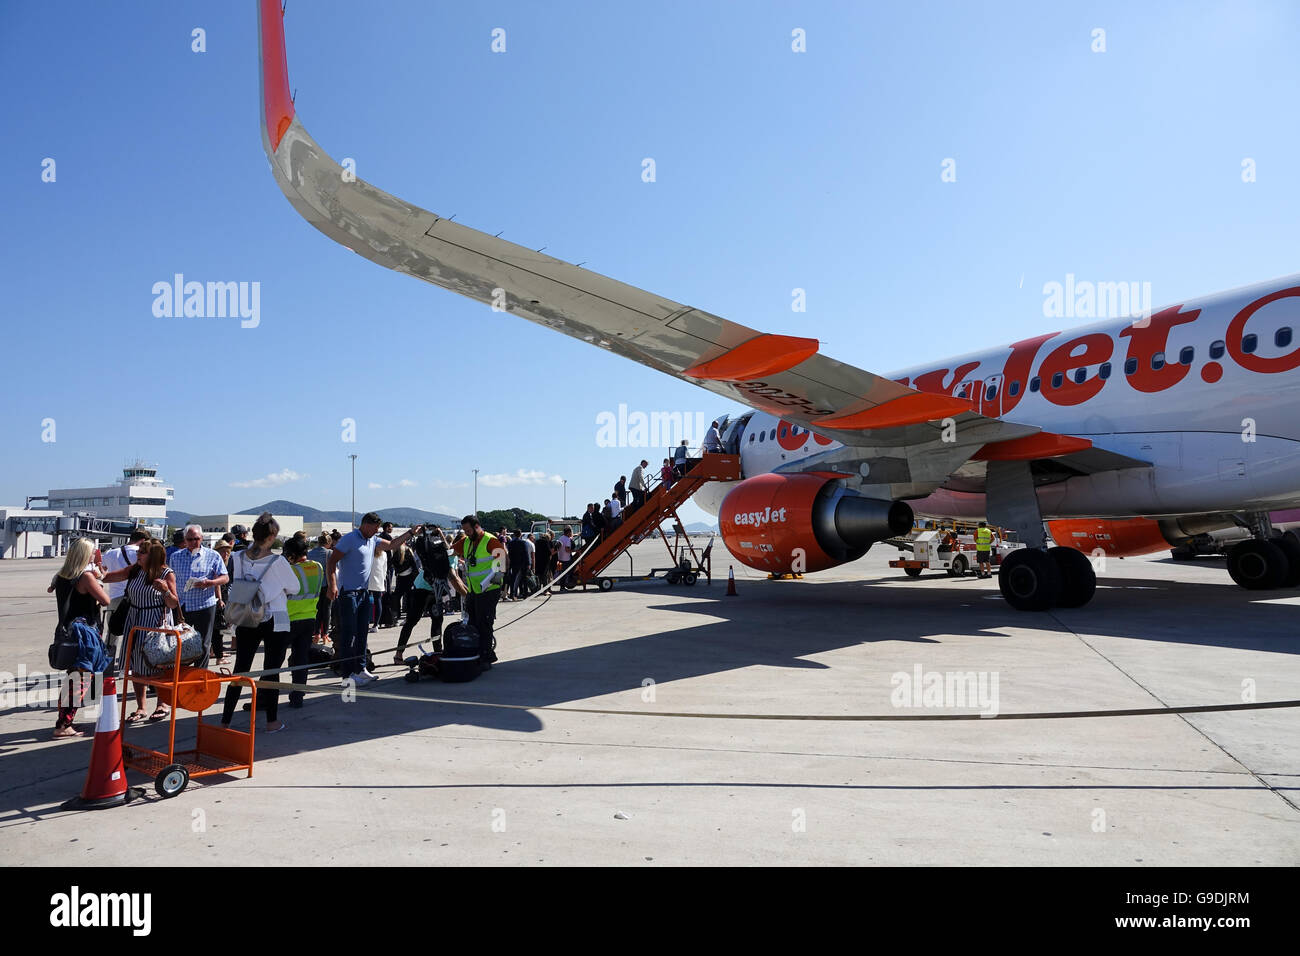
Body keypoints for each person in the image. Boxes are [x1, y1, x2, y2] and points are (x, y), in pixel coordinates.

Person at [220, 513, 300, 733]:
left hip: (247, 615)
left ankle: (225, 721)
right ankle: (271, 721)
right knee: (272, 670)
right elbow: (295, 587)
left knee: (241, 669)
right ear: (272, 535)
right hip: (275, 616)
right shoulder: (278, 561)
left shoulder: (238, 557)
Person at [325, 512, 423, 683]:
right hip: (348, 593)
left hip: (363, 592)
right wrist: (332, 585)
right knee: (349, 634)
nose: (376, 531)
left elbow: (392, 545)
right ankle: (348, 674)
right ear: (365, 525)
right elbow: (332, 562)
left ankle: (361, 668)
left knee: (362, 633)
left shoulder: (372, 539)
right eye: (374, 528)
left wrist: (411, 533)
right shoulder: (349, 539)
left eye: (378, 528)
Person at [103, 539, 179, 723]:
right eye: (139, 552)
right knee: (136, 668)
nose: (138, 555)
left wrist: (165, 591)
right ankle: (141, 707)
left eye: (142, 553)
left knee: (158, 668)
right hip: (135, 623)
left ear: (152, 556)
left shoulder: (166, 574)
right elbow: (110, 577)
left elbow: (174, 603)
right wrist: (97, 571)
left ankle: (162, 704)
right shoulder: (135, 570)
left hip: (155, 625)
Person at [48, 538, 111, 738]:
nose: (95, 555)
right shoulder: (85, 577)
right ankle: (63, 725)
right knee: (80, 679)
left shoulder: (62, 576)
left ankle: (63, 720)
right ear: (85, 555)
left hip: (68, 630)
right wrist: (102, 577)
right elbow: (105, 600)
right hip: (85, 632)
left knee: (73, 677)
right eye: (93, 552)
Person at [167, 524, 229, 668]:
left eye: (196, 539)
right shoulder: (176, 557)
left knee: (204, 643)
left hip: (204, 605)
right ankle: (183, 675)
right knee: (181, 643)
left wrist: (211, 582)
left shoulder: (213, 555)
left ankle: (200, 675)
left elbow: (225, 577)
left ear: (201, 538)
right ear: (184, 540)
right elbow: (171, 580)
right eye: (190, 539)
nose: (193, 542)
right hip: (183, 606)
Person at [396, 526, 457, 663]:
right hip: (425, 588)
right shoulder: (448, 556)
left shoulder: (442, 553)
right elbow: (454, 576)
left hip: (427, 587)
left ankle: (436, 652)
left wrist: (439, 535)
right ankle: (400, 653)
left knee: (432, 621)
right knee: (417, 621)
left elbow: (447, 550)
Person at [282, 536, 323, 710]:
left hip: (289, 620)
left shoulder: (291, 571)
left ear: (291, 555)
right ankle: (298, 696)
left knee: (274, 661)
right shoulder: (318, 567)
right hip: (309, 619)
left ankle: (264, 698)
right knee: (301, 659)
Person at [459, 515, 505, 668]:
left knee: (484, 623)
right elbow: (451, 550)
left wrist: (496, 578)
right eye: (464, 531)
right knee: (473, 623)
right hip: (474, 590)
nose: (467, 533)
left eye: (469, 530)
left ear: (477, 526)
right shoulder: (466, 542)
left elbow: (503, 561)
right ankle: (478, 653)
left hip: (489, 589)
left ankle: (486, 656)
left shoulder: (490, 540)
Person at [101, 529, 148, 656]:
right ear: (143, 541)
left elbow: (102, 572)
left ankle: (107, 665)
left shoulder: (111, 552)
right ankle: (126, 665)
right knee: (133, 634)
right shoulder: (141, 554)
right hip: (134, 597)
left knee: (112, 634)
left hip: (114, 598)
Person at [212, 537, 233, 663]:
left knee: (217, 629)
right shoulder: (217, 562)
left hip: (223, 597)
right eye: (223, 551)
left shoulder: (225, 562)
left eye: (227, 551)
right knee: (218, 629)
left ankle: (215, 652)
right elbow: (217, 584)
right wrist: (219, 599)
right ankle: (218, 656)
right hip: (218, 599)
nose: (225, 554)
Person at [506, 531, 529, 600]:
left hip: (514, 562)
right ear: (520, 535)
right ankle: (525, 594)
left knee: (513, 578)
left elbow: (509, 553)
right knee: (524, 579)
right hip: (522, 562)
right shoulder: (523, 542)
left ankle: (512, 594)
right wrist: (528, 563)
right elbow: (525, 553)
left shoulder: (511, 543)